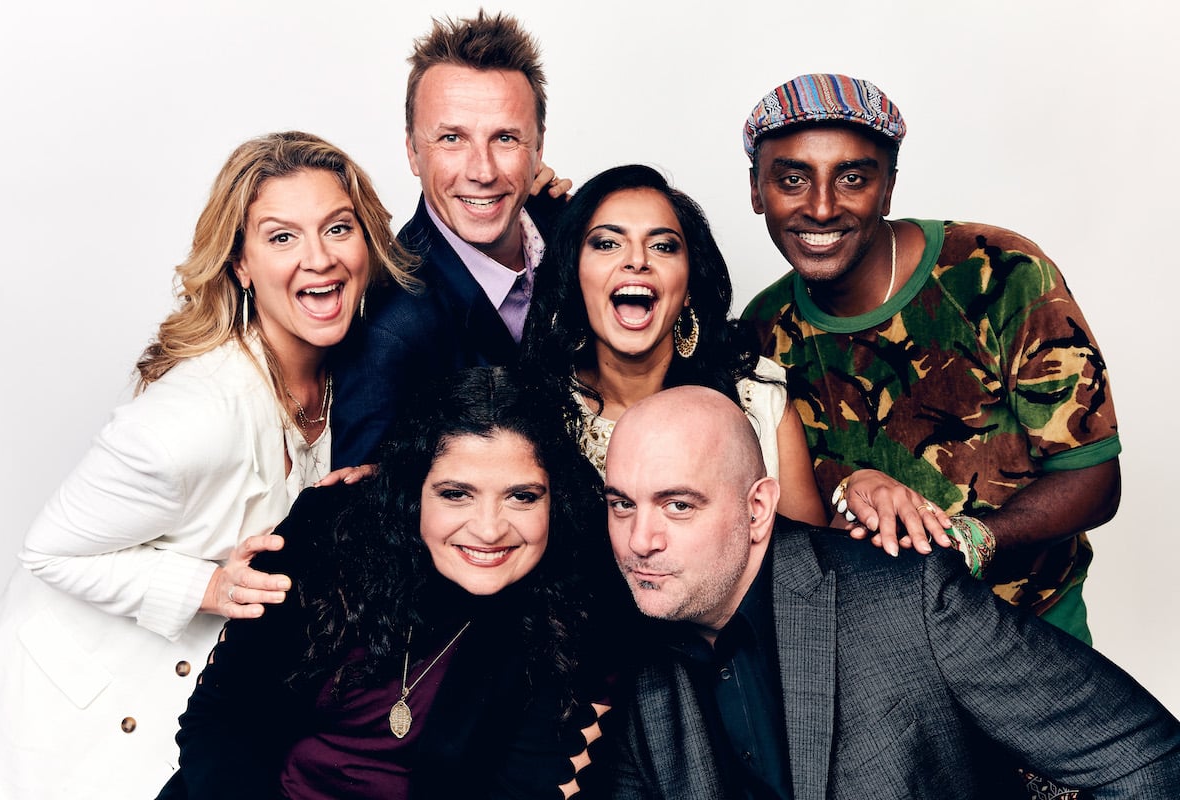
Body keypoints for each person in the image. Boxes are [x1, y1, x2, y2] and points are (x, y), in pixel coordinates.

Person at [0, 131, 415, 800]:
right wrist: (205, 588)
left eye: (338, 228)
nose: (319, 259)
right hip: (70, 724)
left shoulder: (345, 382)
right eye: (281, 238)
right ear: (240, 263)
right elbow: (49, 550)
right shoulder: (192, 419)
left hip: (182, 715)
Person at [604, 385, 1180, 799]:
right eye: (621, 505)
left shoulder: (908, 599)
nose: (640, 541)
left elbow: (1148, 758)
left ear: (757, 510)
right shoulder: (639, 643)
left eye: (678, 505)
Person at [739, 74, 1120, 643]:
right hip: (874, 650)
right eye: (792, 179)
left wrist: (971, 541)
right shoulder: (761, 331)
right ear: (756, 191)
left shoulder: (999, 272)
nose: (820, 207)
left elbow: (1094, 480)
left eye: (852, 178)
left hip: (1031, 628)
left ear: (888, 189)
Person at [158, 366, 616, 799]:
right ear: (413, 490)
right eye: (456, 495)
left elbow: (526, 787)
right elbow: (220, 721)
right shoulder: (330, 531)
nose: (489, 529)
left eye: (522, 497)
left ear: (556, 498)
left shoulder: (576, 613)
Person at [331, 10, 571, 469]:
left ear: (538, 148)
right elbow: (361, 522)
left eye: (505, 138)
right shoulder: (387, 331)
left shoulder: (574, 229)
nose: (482, 171)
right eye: (452, 138)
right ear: (413, 153)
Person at [522, 164, 823, 525]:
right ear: (574, 277)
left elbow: (809, 569)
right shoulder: (534, 409)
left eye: (663, 246)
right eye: (607, 243)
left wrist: (857, 491)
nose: (637, 260)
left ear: (689, 289)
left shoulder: (758, 397)